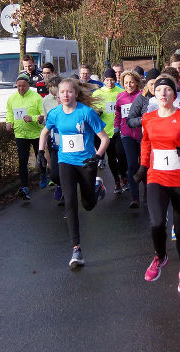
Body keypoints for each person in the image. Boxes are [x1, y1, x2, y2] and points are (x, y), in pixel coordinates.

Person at [134, 75, 180, 292]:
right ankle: (160, 256)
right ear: (154, 94)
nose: (163, 94)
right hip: (156, 178)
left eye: (167, 91)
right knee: (156, 223)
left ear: (175, 95)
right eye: (159, 90)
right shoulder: (148, 118)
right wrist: (143, 167)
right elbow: (146, 144)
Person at [37, 78, 109, 269]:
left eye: (69, 92)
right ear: (58, 96)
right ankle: (76, 249)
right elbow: (44, 132)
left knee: (88, 204)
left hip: (86, 162)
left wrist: (98, 156)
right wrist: (40, 153)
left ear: (76, 94)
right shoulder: (55, 114)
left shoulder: (86, 113)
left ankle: (97, 187)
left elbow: (104, 138)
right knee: (70, 203)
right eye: (62, 93)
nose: (66, 95)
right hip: (65, 162)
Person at [5, 73, 47, 200]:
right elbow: (9, 112)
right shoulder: (12, 99)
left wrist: (32, 118)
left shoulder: (36, 97)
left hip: (35, 133)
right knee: (22, 161)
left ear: (29, 85)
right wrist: (8, 122)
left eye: (23, 86)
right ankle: (24, 187)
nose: (21, 88)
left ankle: (44, 174)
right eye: (18, 86)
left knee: (40, 157)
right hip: (20, 134)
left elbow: (42, 115)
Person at [126, 68, 162, 201]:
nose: (154, 87)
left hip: (164, 141)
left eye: (157, 84)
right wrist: (144, 120)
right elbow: (129, 120)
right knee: (145, 166)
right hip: (146, 139)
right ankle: (146, 192)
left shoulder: (167, 97)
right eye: (151, 84)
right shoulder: (141, 99)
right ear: (146, 84)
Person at [92, 68, 128, 193]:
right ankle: (116, 181)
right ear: (103, 80)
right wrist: (97, 112)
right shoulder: (97, 94)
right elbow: (93, 110)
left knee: (121, 155)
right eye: (107, 80)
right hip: (105, 131)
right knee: (111, 157)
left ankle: (123, 174)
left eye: (112, 80)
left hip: (119, 129)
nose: (110, 83)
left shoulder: (121, 92)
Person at [115, 70, 143, 208]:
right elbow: (118, 114)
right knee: (132, 164)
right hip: (127, 135)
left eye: (131, 82)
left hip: (142, 135)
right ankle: (134, 197)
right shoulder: (120, 97)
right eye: (126, 82)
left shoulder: (143, 96)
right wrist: (116, 127)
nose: (129, 85)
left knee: (145, 165)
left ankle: (148, 192)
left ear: (137, 82)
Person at [42, 76, 65, 205]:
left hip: (71, 145)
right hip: (55, 141)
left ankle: (66, 191)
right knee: (55, 173)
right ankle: (60, 185)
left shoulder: (75, 104)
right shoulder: (46, 102)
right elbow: (46, 124)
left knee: (68, 171)